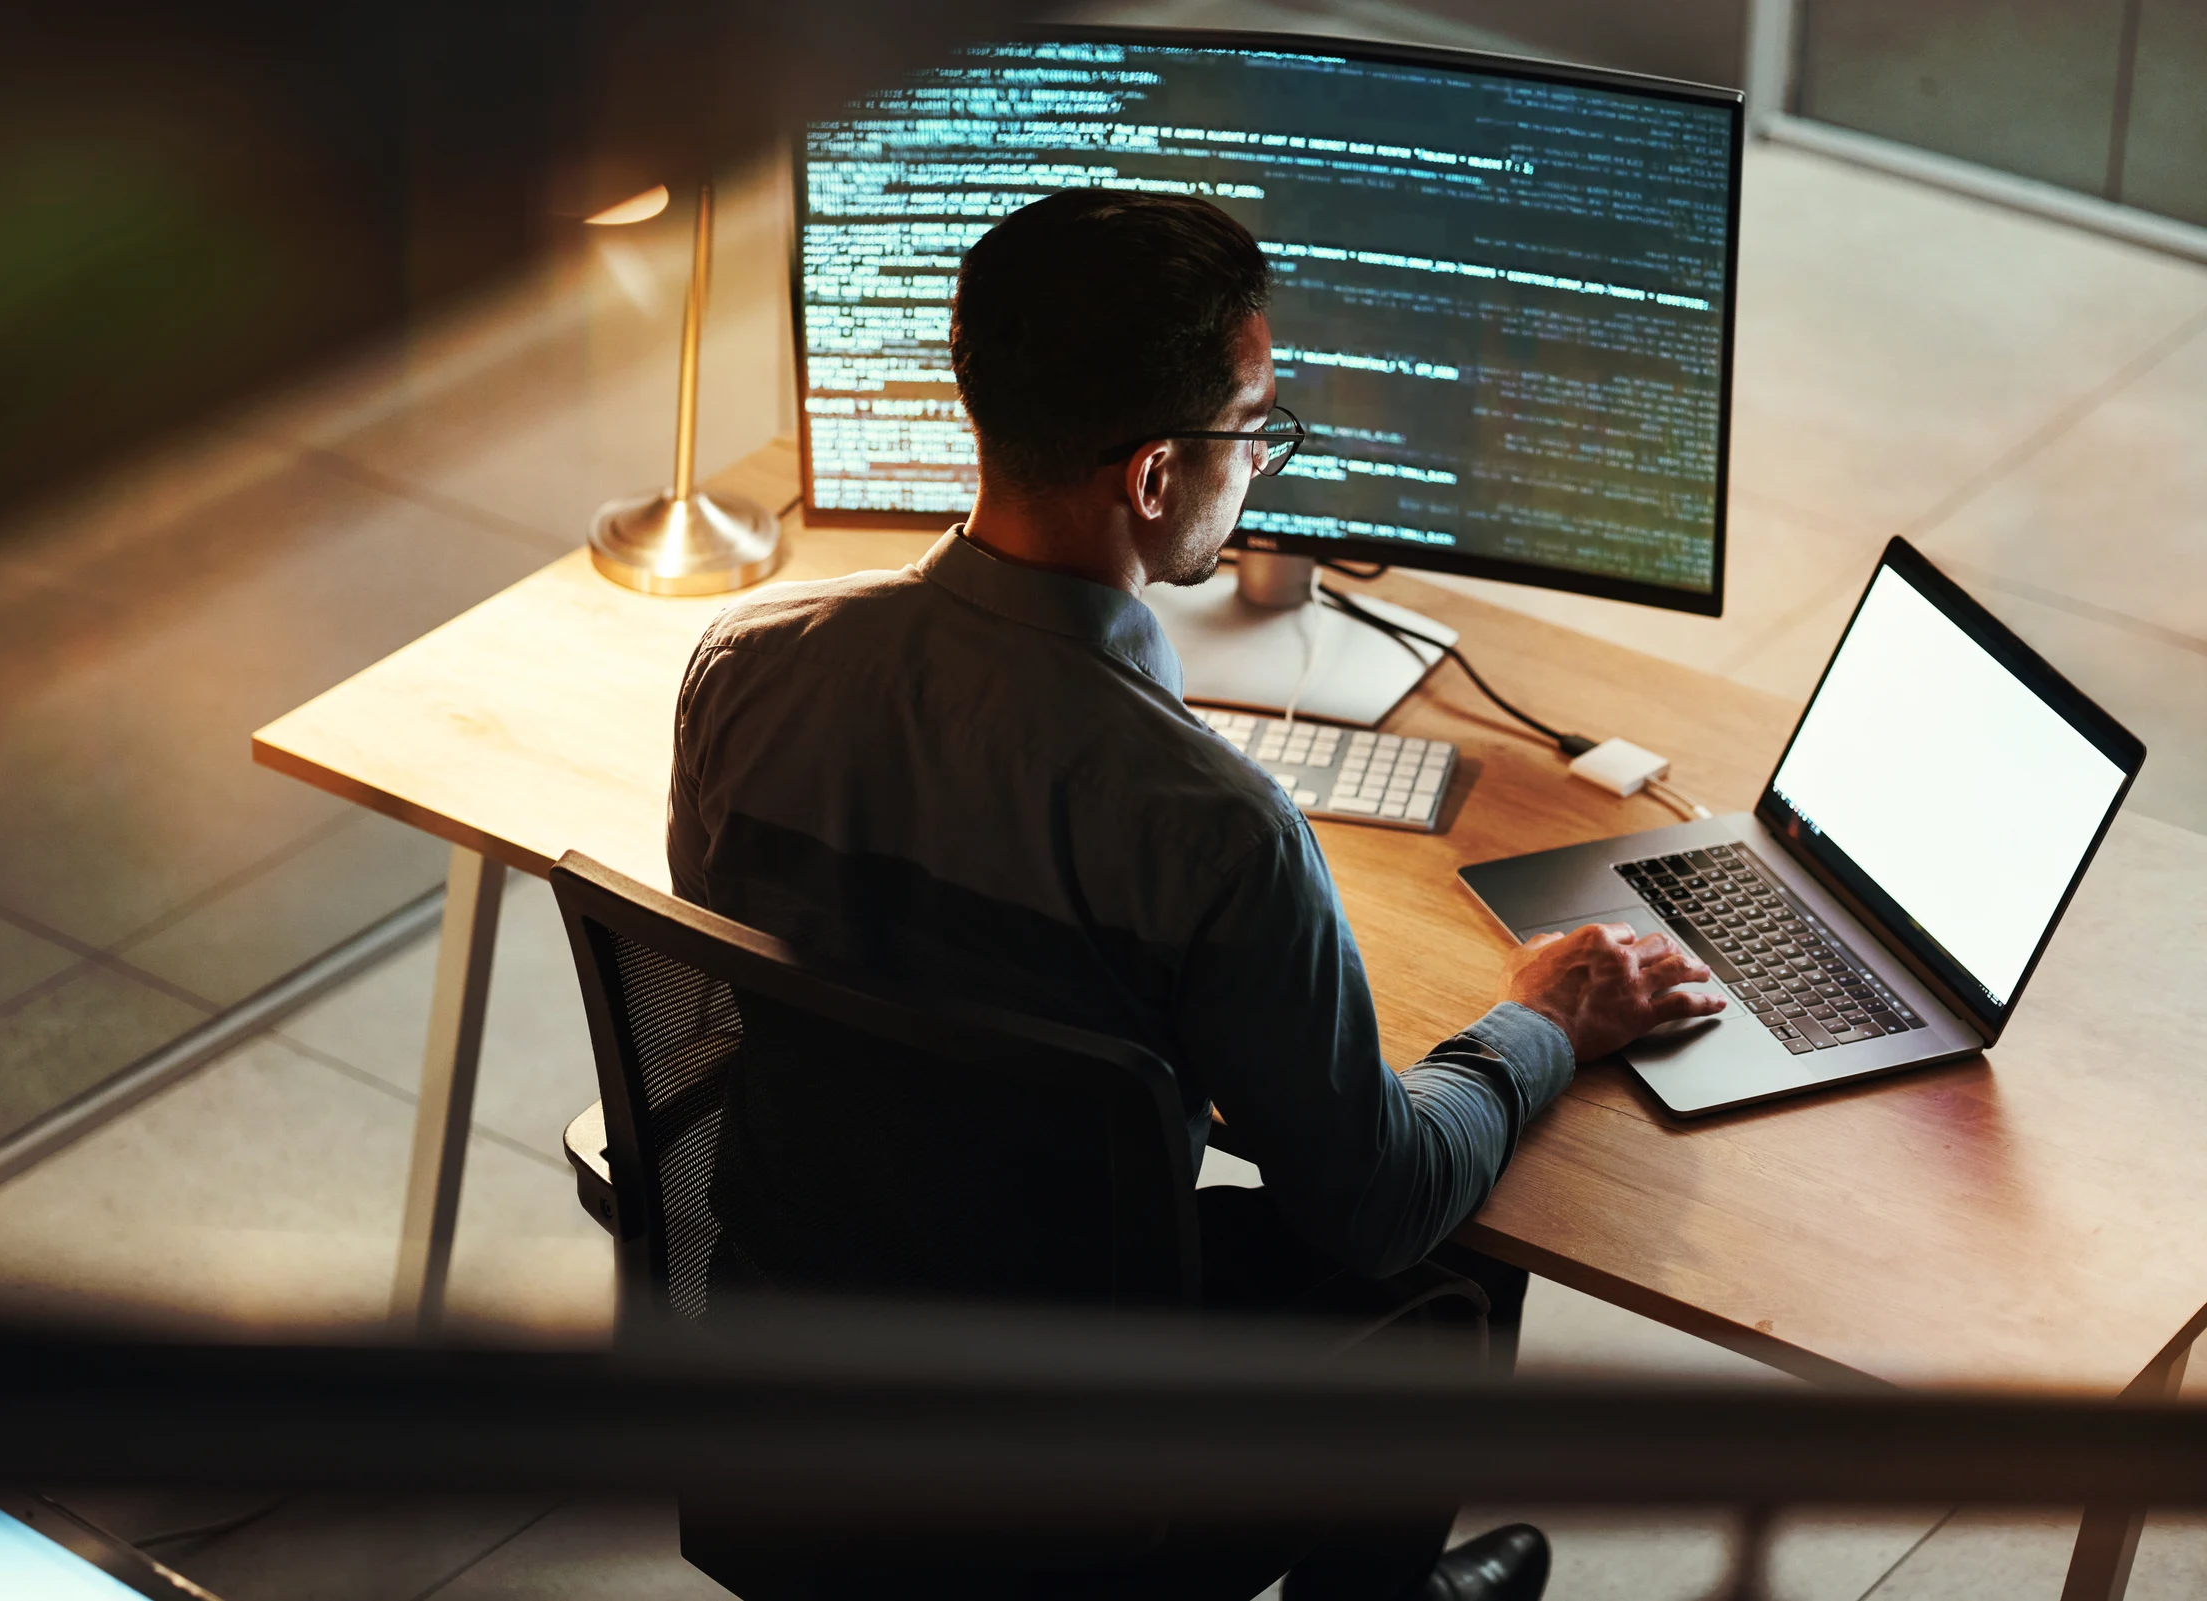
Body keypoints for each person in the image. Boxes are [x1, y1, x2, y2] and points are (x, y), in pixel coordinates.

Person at [667, 189, 1724, 1600]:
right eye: (1254, 426)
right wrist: (1542, 1019)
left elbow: (752, 981)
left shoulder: (743, 665)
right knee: (1452, 1251)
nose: (1262, 463)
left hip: (784, 1374)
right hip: (1063, 1475)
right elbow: (1378, 1205)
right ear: (1158, 477)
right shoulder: (1218, 830)